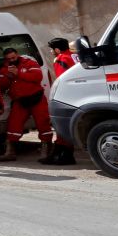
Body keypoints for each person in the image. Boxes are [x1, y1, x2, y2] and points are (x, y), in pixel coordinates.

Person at [0, 47, 53, 162]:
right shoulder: (4, 69)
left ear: (17, 54)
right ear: (6, 59)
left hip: (37, 98)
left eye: (14, 57)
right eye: (9, 59)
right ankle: (10, 151)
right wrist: (8, 78)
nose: (12, 60)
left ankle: (46, 148)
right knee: (14, 124)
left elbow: (37, 77)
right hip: (20, 101)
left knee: (43, 123)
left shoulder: (29, 63)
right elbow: (2, 86)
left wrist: (18, 73)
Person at [41, 37, 77, 165]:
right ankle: (61, 155)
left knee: (62, 127)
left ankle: (64, 156)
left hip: (69, 96)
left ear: (56, 49)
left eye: (52, 50)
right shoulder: (74, 56)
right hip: (80, 94)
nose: (51, 52)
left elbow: (63, 79)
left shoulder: (61, 59)